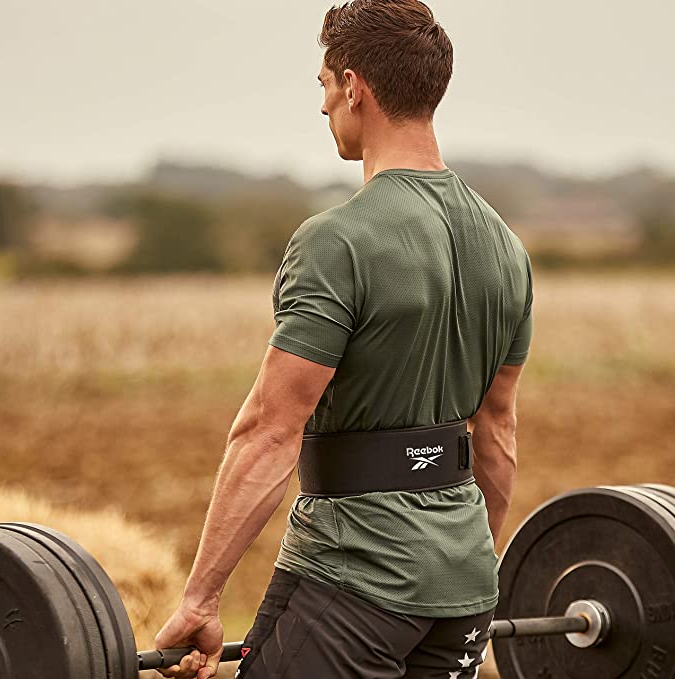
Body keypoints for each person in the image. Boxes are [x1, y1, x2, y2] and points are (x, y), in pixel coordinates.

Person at [154, 1, 533, 677]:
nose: (323, 104)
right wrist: (462, 572)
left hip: (356, 578)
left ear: (354, 87)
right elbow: (496, 433)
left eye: (325, 85)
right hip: (463, 590)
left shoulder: (337, 241)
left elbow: (269, 431)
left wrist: (201, 599)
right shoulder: (505, 247)